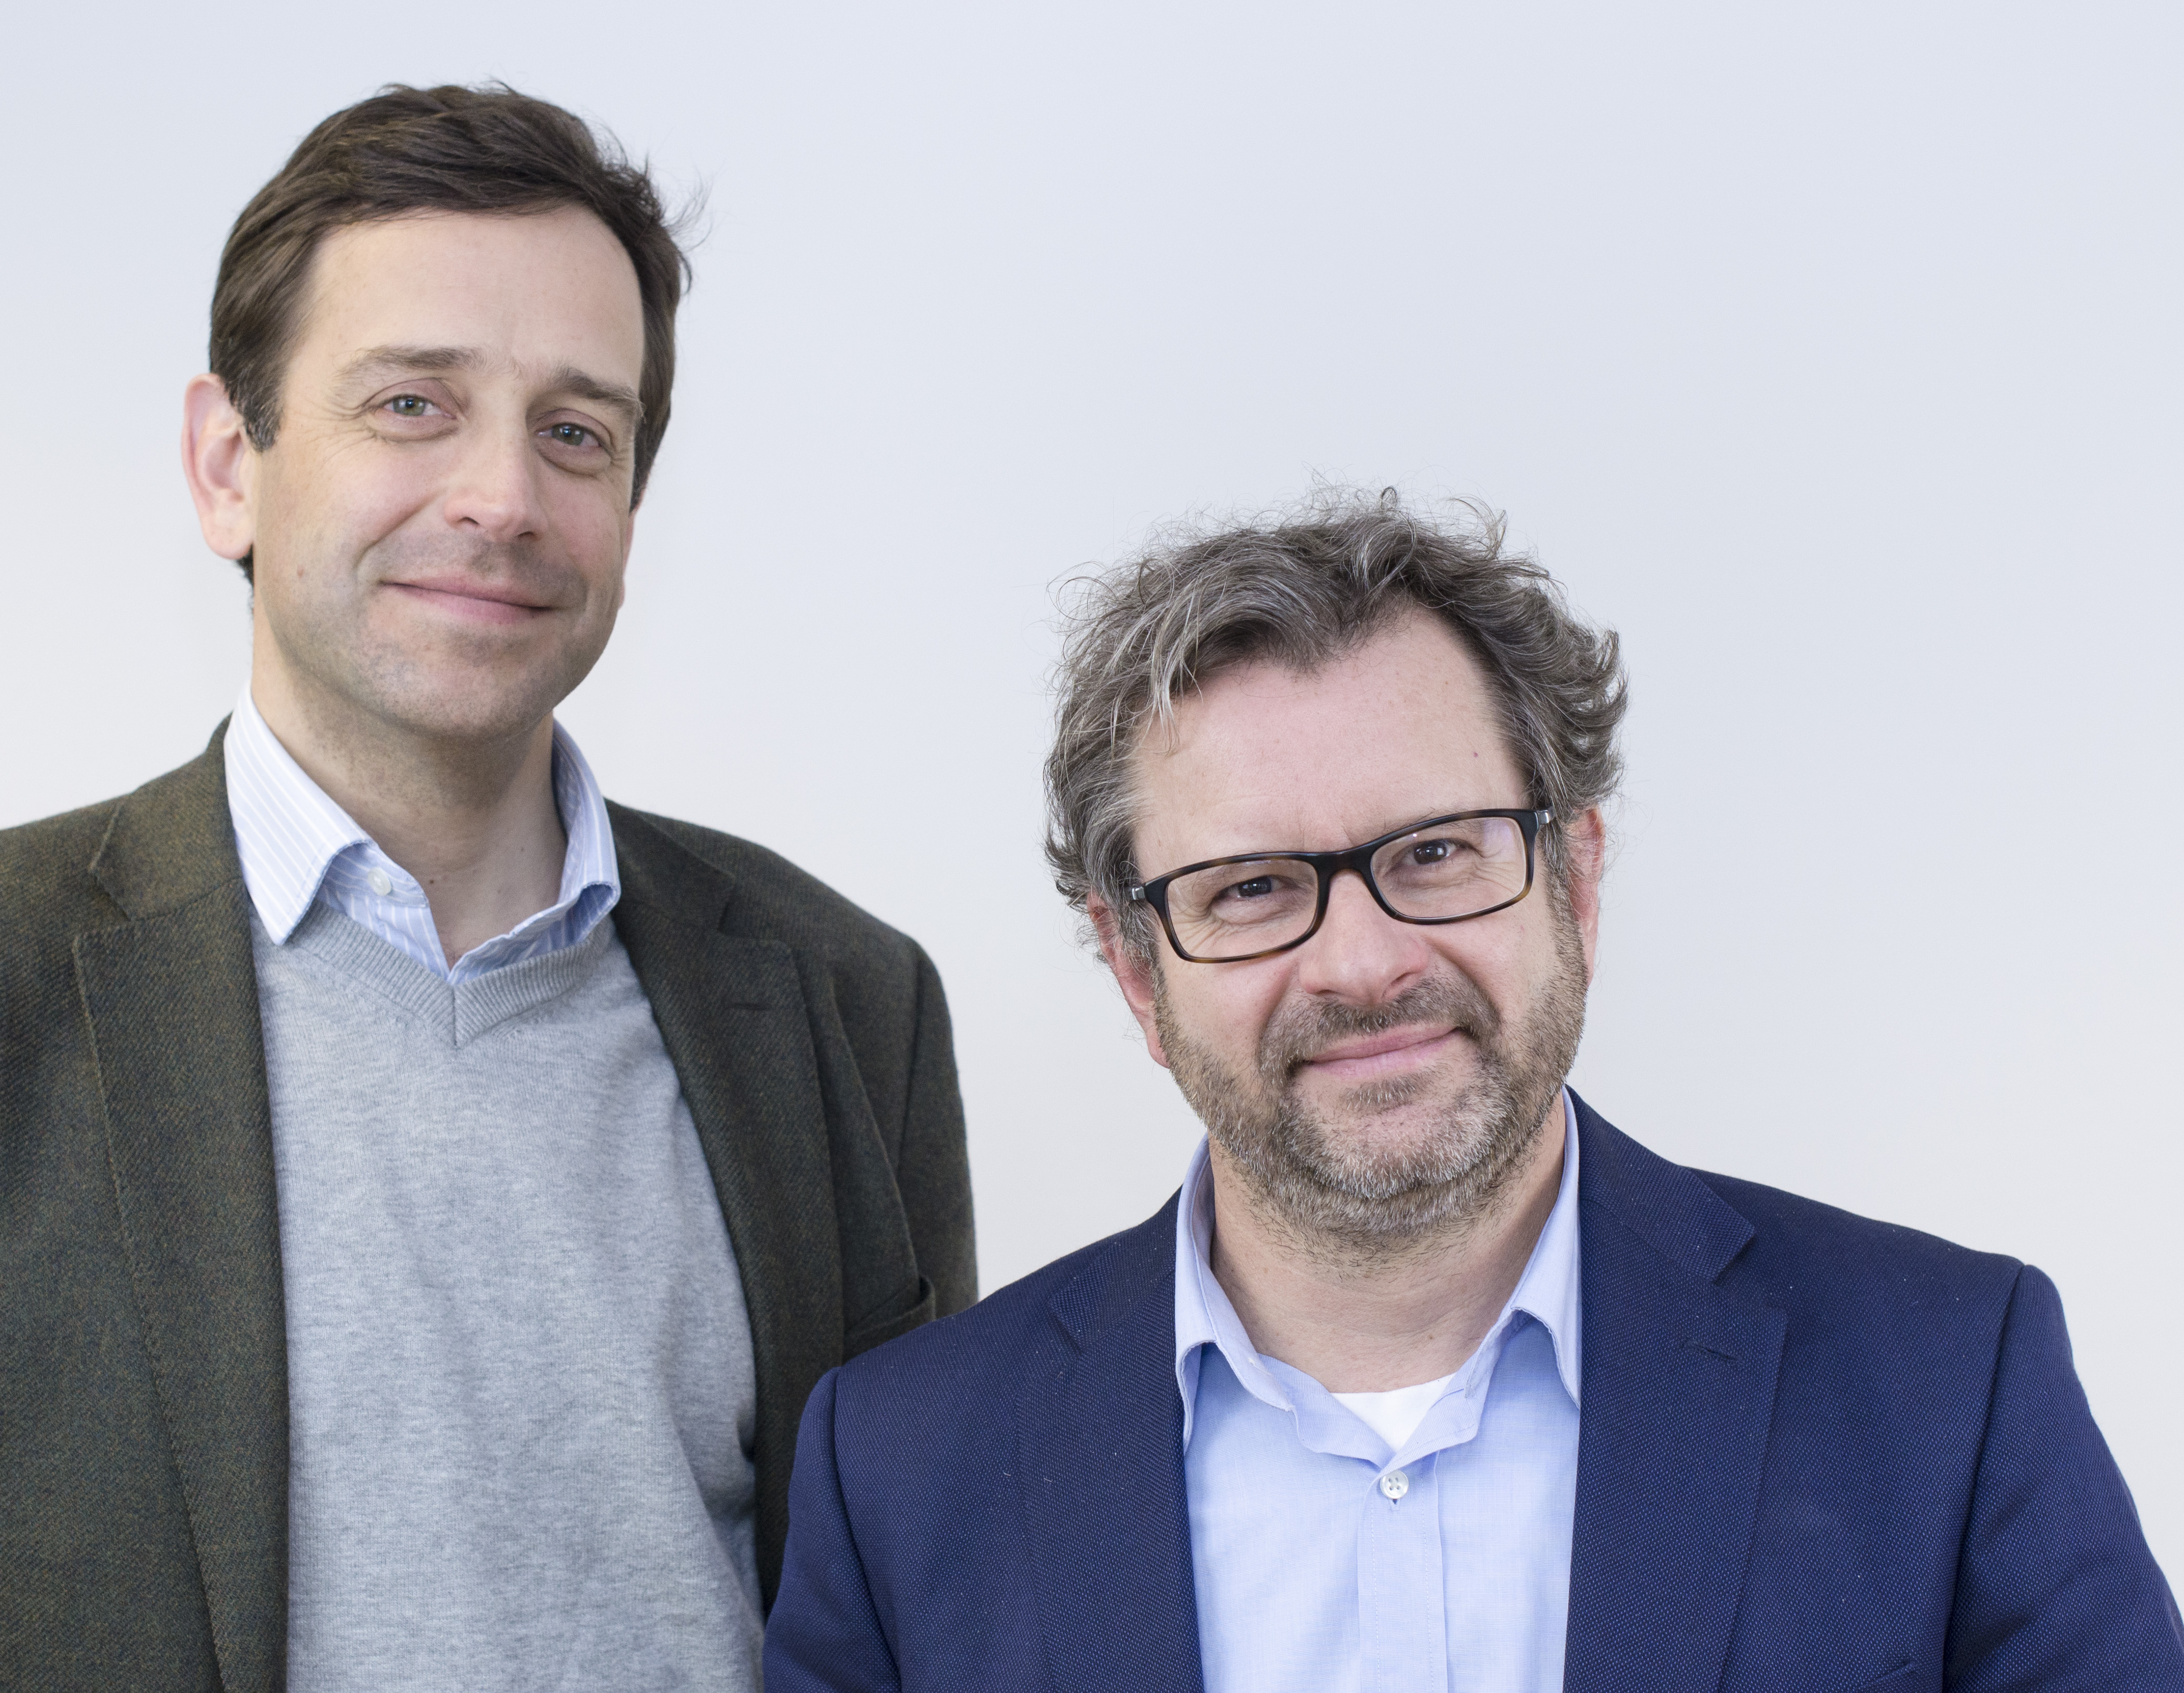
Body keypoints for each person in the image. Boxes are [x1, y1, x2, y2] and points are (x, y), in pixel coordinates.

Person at [0, 84, 973, 1692]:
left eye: (577, 430)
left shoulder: (848, 1002)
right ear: (228, 465)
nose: (502, 498)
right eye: (412, 404)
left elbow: (929, 1623)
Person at [761, 492, 2181, 1692]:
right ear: (1139, 971)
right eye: (1252, 889)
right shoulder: (897, 1473)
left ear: (1576, 882)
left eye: (1436, 852)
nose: (1363, 962)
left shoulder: (1948, 1384)